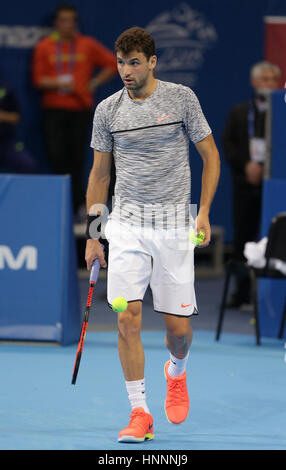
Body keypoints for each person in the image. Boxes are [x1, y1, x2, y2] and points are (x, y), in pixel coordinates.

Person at [85, 27, 220, 443]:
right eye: (120, 62)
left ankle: (176, 371)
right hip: (127, 224)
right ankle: (139, 412)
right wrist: (95, 233)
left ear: (152, 62)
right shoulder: (107, 110)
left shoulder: (181, 99)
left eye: (134, 62)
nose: (125, 70)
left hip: (176, 223)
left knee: (178, 331)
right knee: (127, 317)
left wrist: (205, 214)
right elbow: (100, 174)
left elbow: (211, 157)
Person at [32, 3, 117, 215]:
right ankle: (61, 205)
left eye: (71, 20)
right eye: (63, 20)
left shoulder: (86, 44)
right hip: (54, 110)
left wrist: (94, 82)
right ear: (56, 23)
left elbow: (113, 63)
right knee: (56, 157)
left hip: (79, 109)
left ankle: (79, 206)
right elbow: (38, 80)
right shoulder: (45, 46)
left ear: (76, 23)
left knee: (78, 159)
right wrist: (60, 83)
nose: (67, 25)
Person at [222, 61, 280, 309]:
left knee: (275, 239)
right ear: (254, 83)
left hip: (275, 186)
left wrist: (268, 167)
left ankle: (273, 297)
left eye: (272, 80)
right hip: (245, 184)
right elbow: (229, 144)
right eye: (263, 80)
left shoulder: (281, 111)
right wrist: (246, 165)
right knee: (243, 238)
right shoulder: (239, 112)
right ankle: (241, 293)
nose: (268, 84)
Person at [0, 76, 39, 174]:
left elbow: (16, 117)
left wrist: (3, 116)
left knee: (28, 165)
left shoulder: (6, 89)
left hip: (5, 142)